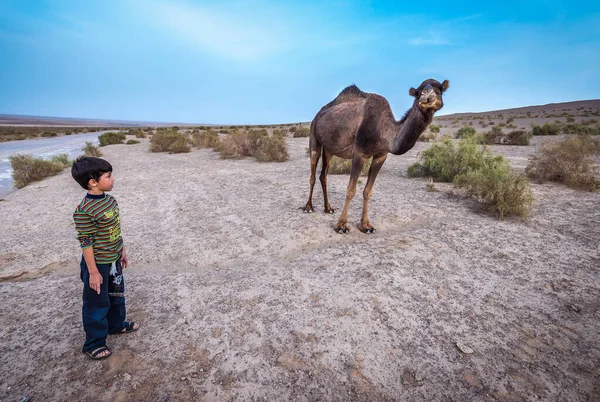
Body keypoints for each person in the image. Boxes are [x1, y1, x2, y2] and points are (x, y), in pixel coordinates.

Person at [71, 155, 138, 360]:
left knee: (116, 295)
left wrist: (122, 250)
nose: (113, 179)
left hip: (113, 259)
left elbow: (115, 229)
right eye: (108, 176)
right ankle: (94, 343)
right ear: (93, 182)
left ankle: (116, 325)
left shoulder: (110, 201)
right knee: (97, 302)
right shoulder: (84, 211)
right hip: (97, 264)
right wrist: (92, 272)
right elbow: (86, 242)